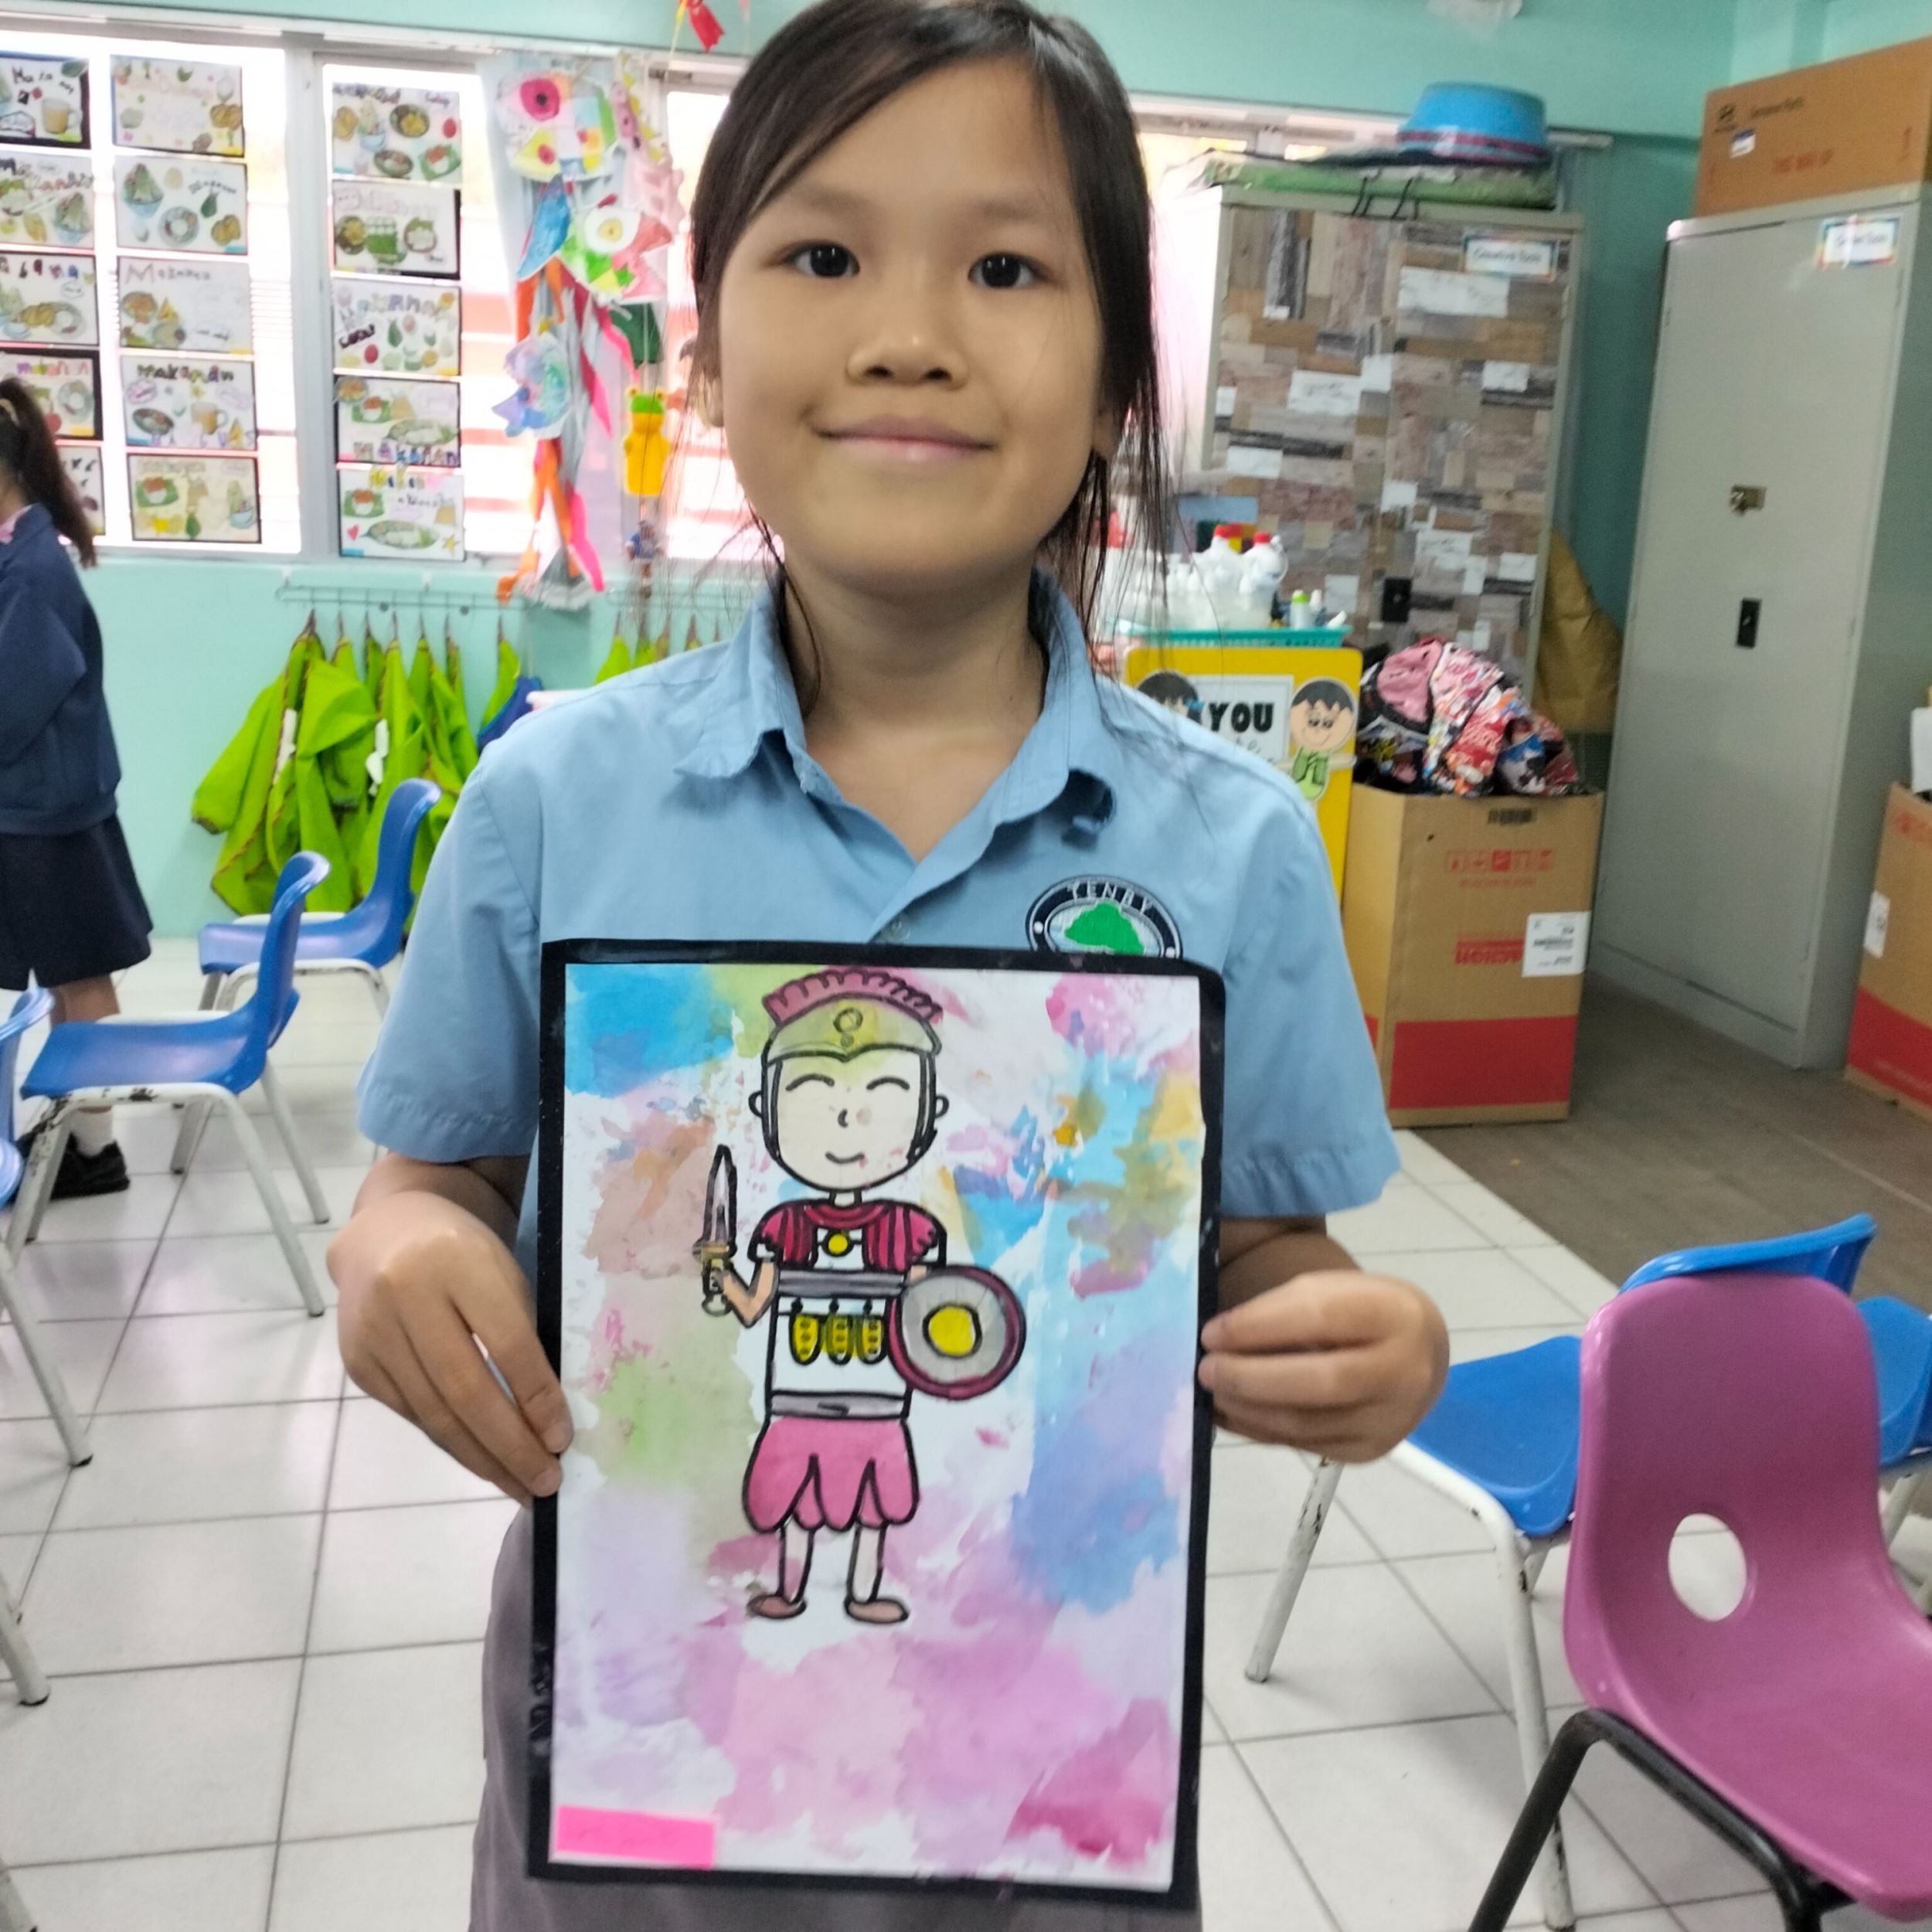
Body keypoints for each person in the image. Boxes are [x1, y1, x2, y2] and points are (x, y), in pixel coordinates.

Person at [330, 5, 1450, 1927]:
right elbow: (427, 1183)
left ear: (1114, 383)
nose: (909, 334)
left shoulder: (1233, 848)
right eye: (823, 255)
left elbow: (1259, 1248)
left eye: (1005, 269)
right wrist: (397, 1256)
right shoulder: (553, 799)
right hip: (649, 1794)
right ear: (704, 349)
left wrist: (1355, 1333)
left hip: (1033, 1792)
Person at [0, 377, 149, 1196]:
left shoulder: (30, 569)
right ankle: (80, 1134)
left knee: (81, 978)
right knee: (72, 976)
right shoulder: (24, 552)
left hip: (48, 815)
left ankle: (95, 1149)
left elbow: (14, 698)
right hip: (50, 804)